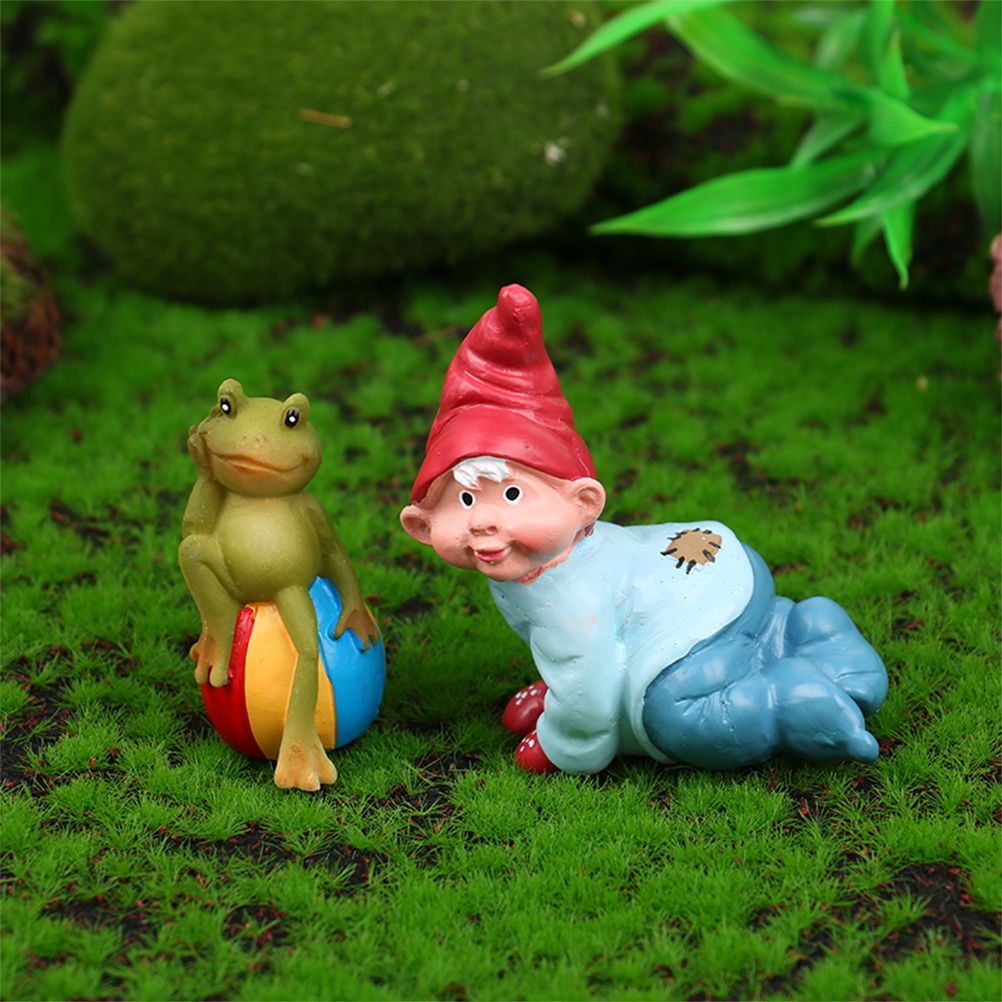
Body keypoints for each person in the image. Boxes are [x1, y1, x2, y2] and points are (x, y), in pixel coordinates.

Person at [400, 285, 888, 775]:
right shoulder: (543, 561)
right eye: (464, 499)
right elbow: (582, 651)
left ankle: (785, 699)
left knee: (671, 717)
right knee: (617, 654)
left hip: (693, 623)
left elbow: (588, 692)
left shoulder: (566, 595)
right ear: (422, 523)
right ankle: (808, 630)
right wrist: (565, 677)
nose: (482, 520)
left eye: (512, 494)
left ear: (583, 503)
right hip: (722, 562)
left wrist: (564, 741)